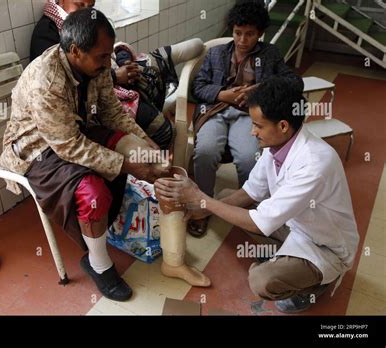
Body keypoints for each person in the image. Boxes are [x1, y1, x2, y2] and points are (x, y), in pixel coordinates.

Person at [0, 8, 169, 302]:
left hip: (74, 131)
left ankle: (102, 230)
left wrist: (147, 146)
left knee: (126, 144)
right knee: (93, 192)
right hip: (37, 149)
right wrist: (127, 166)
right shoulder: (47, 81)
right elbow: (68, 147)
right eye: (102, 57)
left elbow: (112, 113)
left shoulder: (96, 66)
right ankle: (99, 264)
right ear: (75, 51)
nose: (108, 63)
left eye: (107, 56)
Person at [155, 76, 359, 313]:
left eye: (258, 126)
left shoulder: (315, 162)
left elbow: (258, 222)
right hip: (296, 224)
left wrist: (201, 198)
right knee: (226, 198)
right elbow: (249, 192)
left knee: (261, 281)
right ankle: (287, 259)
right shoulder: (278, 146)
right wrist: (203, 207)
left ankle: (314, 285)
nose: (252, 132)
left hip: (325, 245)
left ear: (283, 125)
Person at [188, 1, 303, 237]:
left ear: (260, 33)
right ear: (232, 31)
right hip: (215, 110)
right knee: (205, 152)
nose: (242, 40)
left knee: (250, 158)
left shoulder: (270, 54)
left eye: (250, 34)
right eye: (238, 33)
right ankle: (203, 208)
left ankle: (246, 210)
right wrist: (222, 94)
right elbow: (196, 87)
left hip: (248, 116)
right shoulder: (217, 53)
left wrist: (260, 89)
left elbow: (294, 81)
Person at [30, 0, 203, 150]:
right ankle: (159, 66)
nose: (87, 12)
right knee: (162, 131)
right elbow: (72, 142)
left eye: (91, 6)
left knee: (126, 56)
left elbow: (112, 110)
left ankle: (156, 61)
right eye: (80, 5)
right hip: (101, 94)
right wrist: (115, 76)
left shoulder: (95, 43)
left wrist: (116, 68)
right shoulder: (47, 46)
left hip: (108, 81)